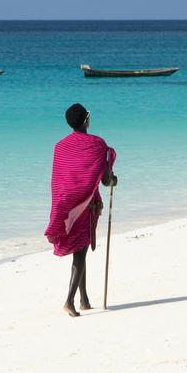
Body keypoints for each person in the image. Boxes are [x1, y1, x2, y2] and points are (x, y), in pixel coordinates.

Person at [45, 103, 117, 317]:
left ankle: (84, 300)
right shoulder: (96, 144)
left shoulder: (60, 146)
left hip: (67, 205)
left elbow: (60, 179)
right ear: (86, 120)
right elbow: (105, 180)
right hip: (85, 206)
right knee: (80, 252)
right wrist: (113, 180)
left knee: (80, 249)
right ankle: (69, 301)